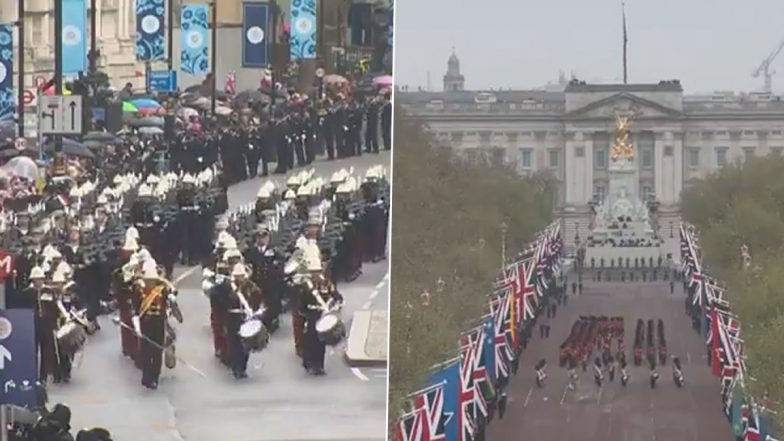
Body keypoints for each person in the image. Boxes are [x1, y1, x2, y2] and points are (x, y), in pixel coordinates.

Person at [132, 260, 175, 389]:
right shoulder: (139, 291)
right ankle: (146, 376)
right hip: (145, 324)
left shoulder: (162, 290)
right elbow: (136, 311)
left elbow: (172, 298)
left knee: (157, 352)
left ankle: (155, 377)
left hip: (159, 323)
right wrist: (137, 328)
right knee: (146, 351)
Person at [300, 257, 343, 375]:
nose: (316, 275)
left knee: (321, 342)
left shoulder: (327, 284)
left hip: (323, 315)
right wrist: (307, 313)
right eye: (313, 272)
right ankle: (310, 364)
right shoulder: (305, 286)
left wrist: (335, 306)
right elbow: (301, 304)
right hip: (311, 316)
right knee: (310, 341)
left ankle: (319, 365)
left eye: (318, 271)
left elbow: (337, 297)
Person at [222, 263, 263, 379]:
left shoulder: (249, 286)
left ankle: (243, 367)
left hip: (245, 317)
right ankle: (236, 368)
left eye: (241, 276)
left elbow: (258, 296)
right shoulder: (228, 286)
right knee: (233, 344)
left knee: (245, 345)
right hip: (232, 318)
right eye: (238, 276)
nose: (240, 278)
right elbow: (221, 301)